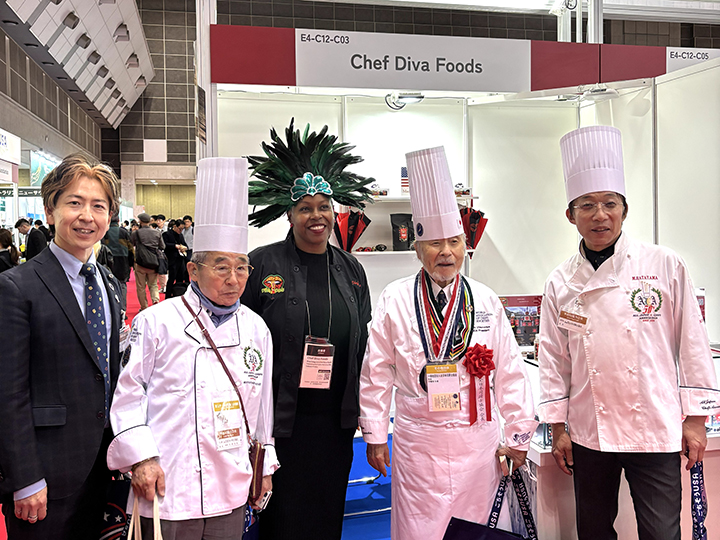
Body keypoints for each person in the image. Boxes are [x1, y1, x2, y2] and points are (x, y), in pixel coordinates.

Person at [538, 125, 720, 540]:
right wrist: (558, 427)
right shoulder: (560, 282)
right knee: (594, 532)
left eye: (609, 203)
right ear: (571, 215)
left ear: (624, 209)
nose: (599, 215)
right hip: (589, 431)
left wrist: (696, 419)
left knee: (662, 533)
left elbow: (693, 343)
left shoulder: (664, 264)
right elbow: (553, 359)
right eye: (587, 205)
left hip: (654, 426)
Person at [358, 146, 537, 540]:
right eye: (435, 244)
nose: (446, 253)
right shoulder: (395, 299)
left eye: (454, 242)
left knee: (478, 528)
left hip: (478, 443)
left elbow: (510, 372)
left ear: (464, 246)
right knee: (421, 529)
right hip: (418, 442)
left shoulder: (485, 299)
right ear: (417, 249)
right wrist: (374, 434)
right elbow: (376, 371)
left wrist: (519, 433)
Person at [108, 157, 277, 539]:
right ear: (193, 271)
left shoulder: (256, 328)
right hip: (167, 486)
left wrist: (265, 465)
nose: (233, 279)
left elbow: (262, 407)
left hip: (230, 484)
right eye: (221, 266)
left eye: (241, 267)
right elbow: (128, 395)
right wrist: (141, 458)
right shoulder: (156, 321)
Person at [241, 120, 373, 540]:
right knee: (282, 517)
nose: (316, 216)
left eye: (324, 206)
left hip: (334, 422)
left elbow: (363, 344)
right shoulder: (262, 263)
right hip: (280, 421)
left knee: (327, 514)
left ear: (335, 212)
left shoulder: (352, 269)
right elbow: (240, 339)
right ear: (289, 214)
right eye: (305, 208)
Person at [0, 154, 123, 539]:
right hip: (45, 475)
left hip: (102, 467)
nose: (87, 216)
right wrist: (25, 477)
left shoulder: (109, 283)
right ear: (50, 211)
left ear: (109, 216)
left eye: (98, 206)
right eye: (75, 203)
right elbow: (8, 392)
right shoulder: (16, 287)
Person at [131, 212, 164, 310]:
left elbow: (131, 244)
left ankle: (144, 307)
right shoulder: (157, 233)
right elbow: (162, 246)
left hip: (140, 262)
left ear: (140, 221)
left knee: (141, 287)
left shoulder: (136, 233)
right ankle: (155, 300)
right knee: (153, 284)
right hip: (153, 262)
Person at [102, 214, 134, 314]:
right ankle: (122, 309)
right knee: (122, 284)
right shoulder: (124, 232)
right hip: (123, 260)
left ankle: (111, 310)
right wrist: (131, 263)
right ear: (118, 220)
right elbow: (131, 249)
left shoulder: (105, 232)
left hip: (107, 260)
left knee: (107, 284)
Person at [161, 219, 188, 298]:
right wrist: (175, 246)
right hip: (171, 259)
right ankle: (168, 296)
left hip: (180, 259)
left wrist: (184, 247)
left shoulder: (180, 235)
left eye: (182, 229)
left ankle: (178, 294)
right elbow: (164, 245)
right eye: (180, 228)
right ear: (175, 226)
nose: (181, 230)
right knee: (171, 278)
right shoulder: (166, 234)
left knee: (180, 278)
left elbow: (184, 244)